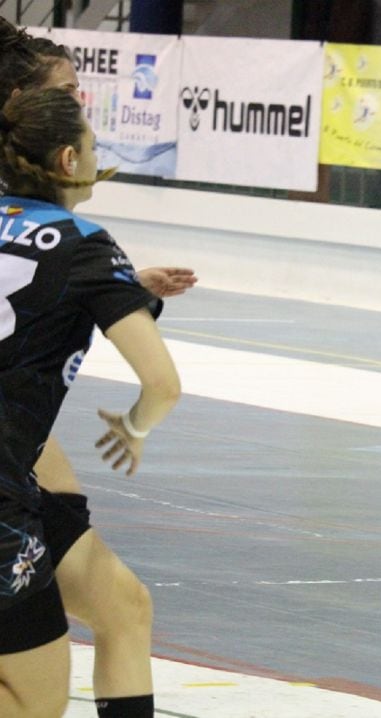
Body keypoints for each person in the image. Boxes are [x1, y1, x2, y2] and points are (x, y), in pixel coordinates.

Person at [0, 22, 195, 718]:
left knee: (122, 605)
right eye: (72, 97)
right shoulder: (82, 239)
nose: (82, 104)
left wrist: (118, 285)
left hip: (25, 479)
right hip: (10, 484)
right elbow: (162, 384)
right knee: (33, 702)